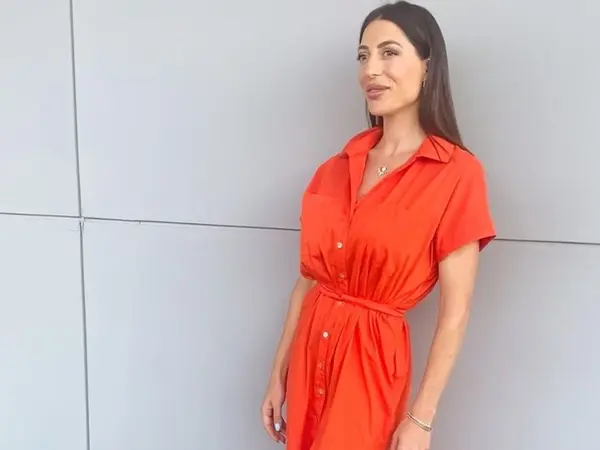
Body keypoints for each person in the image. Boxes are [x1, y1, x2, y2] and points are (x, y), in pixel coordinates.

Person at [261, 1, 496, 449]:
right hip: (310, 353)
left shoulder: (456, 175)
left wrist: (421, 419)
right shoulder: (335, 168)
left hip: (370, 366)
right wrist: (278, 374)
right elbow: (308, 281)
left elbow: (455, 312)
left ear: (427, 66)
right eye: (363, 55)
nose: (371, 69)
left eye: (389, 53)